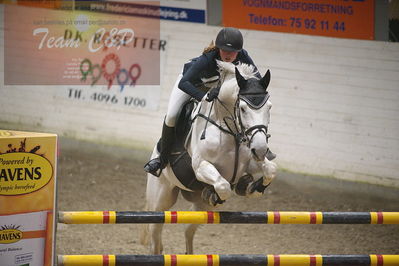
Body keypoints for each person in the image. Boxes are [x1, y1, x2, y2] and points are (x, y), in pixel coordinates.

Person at [144, 27, 275, 176]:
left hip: (215, 86)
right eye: (224, 50)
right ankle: (162, 159)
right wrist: (203, 97)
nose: (228, 55)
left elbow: (255, 80)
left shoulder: (243, 56)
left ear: (239, 51)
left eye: (232, 52)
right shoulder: (207, 58)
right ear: (218, 48)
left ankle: (259, 145)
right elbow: (184, 83)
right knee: (172, 115)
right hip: (191, 83)